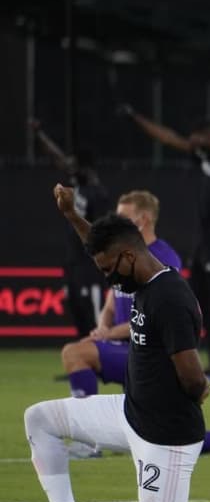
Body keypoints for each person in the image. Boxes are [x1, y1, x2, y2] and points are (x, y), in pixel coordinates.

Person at [10, 189, 210, 502]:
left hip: (166, 433)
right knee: (40, 419)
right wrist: (71, 216)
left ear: (128, 257)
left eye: (110, 270)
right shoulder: (138, 271)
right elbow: (104, 242)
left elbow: (191, 377)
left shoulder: (170, 298)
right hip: (129, 412)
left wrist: (200, 386)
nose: (109, 279)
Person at [56, 190, 210, 457]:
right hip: (130, 349)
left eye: (124, 217)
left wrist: (109, 333)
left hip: (150, 352)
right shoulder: (121, 256)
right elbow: (112, 298)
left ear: (143, 219)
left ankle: (88, 443)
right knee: (154, 436)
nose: (117, 222)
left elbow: (158, 313)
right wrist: (103, 325)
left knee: (76, 354)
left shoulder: (159, 260)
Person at [123, 106, 210, 382]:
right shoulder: (206, 156)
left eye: (196, 140)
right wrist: (137, 118)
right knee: (203, 303)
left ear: (209, 137)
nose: (192, 145)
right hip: (202, 246)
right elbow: (170, 139)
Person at [32, 119, 111, 338]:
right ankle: (84, 360)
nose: (70, 168)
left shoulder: (98, 194)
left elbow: (102, 230)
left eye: (75, 165)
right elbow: (58, 158)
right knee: (77, 309)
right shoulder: (76, 186)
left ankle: (103, 358)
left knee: (94, 312)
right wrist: (40, 135)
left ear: (86, 167)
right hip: (73, 261)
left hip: (90, 262)